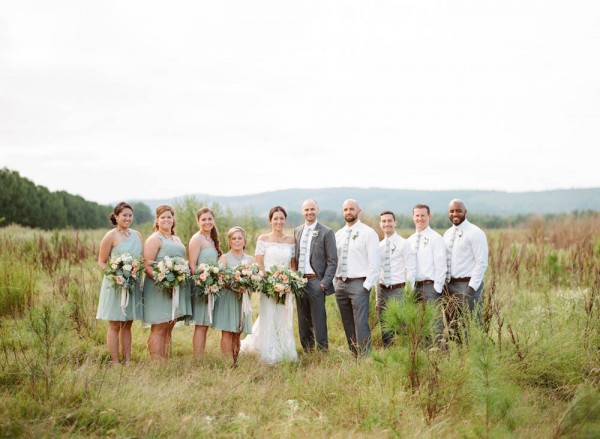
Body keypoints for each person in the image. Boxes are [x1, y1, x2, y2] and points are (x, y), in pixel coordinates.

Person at [240, 206, 298, 364]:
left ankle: (285, 350)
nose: (279, 221)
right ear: (270, 220)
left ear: (285, 220)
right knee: (269, 316)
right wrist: (270, 282)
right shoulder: (263, 239)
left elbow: (292, 265)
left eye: (281, 218)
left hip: (286, 287)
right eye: (276, 218)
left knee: (284, 317)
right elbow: (258, 263)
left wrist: (288, 280)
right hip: (268, 286)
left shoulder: (291, 240)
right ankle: (270, 353)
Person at [142, 205, 192, 361]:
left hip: (175, 287)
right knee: (159, 326)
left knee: (169, 326)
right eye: (162, 217)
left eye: (169, 216)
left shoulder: (175, 238)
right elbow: (146, 265)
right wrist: (162, 282)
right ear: (157, 220)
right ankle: (157, 363)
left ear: (173, 219)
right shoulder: (154, 238)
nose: (166, 219)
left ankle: (166, 360)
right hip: (158, 288)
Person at [96, 202, 143, 364]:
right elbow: (101, 262)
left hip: (132, 284)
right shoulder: (110, 236)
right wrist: (115, 274)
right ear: (116, 217)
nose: (128, 218)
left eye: (130, 215)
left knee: (127, 323)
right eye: (124, 215)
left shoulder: (137, 235)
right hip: (115, 284)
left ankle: (128, 360)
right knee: (115, 323)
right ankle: (115, 362)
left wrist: (137, 269)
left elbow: (140, 260)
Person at [334, 199, 380, 356]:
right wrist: (335, 282)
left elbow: (375, 262)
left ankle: (365, 356)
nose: (348, 212)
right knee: (347, 322)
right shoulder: (338, 234)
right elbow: (335, 261)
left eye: (351, 209)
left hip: (359, 284)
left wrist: (366, 286)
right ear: (342, 212)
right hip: (340, 284)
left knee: (361, 323)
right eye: (345, 209)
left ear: (359, 211)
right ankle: (354, 353)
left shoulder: (368, 233)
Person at [293, 199, 338, 352]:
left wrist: (324, 283)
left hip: (316, 281)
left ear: (317, 210)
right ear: (302, 211)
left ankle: (322, 351)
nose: (309, 212)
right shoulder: (297, 231)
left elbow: (332, 261)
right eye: (306, 210)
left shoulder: (327, 232)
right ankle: (307, 350)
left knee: (318, 319)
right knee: (302, 319)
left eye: (312, 209)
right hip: (299, 281)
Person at [443, 199, 489, 338]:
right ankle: (458, 354)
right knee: (453, 324)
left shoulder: (475, 232)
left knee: (472, 324)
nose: (455, 213)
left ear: (465, 212)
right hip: (449, 286)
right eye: (452, 211)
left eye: (458, 210)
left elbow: (481, 262)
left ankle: (474, 354)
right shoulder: (447, 234)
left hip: (467, 285)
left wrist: (471, 288)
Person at [407, 204, 447, 341]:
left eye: (423, 215)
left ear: (429, 217)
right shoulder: (409, 241)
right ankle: (422, 350)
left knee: (435, 321)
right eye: (417, 215)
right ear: (413, 217)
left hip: (430, 286)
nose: (420, 218)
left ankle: (440, 352)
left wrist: (437, 288)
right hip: (413, 287)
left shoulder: (436, 238)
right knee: (416, 321)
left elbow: (441, 265)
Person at [376, 210, 415, 348]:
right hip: (382, 290)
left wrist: (408, 293)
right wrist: (376, 298)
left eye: (389, 221)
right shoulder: (378, 246)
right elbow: (377, 272)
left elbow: (410, 270)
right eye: (384, 221)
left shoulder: (404, 244)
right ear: (380, 224)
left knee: (402, 324)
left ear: (395, 223)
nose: (387, 224)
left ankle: (405, 351)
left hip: (398, 289)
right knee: (385, 325)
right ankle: (388, 351)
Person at [214, 226, 254, 360]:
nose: (237, 241)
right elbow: (219, 280)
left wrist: (247, 290)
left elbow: (254, 281)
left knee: (238, 331)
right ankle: (226, 363)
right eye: (233, 238)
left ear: (244, 241)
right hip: (228, 298)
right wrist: (235, 287)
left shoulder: (250, 260)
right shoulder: (224, 258)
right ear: (229, 242)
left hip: (243, 300)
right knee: (227, 332)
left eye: (240, 238)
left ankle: (235, 361)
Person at [188, 207, 222, 358]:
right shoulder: (197, 239)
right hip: (201, 286)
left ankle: (200, 355)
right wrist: (203, 283)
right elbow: (192, 265)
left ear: (214, 220)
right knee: (201, 325)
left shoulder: (211, 239)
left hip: (211, 285)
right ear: (198, 221)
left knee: (205, 324)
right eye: (204, 219)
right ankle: (198, 358)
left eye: (210, 219)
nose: (207, 222)